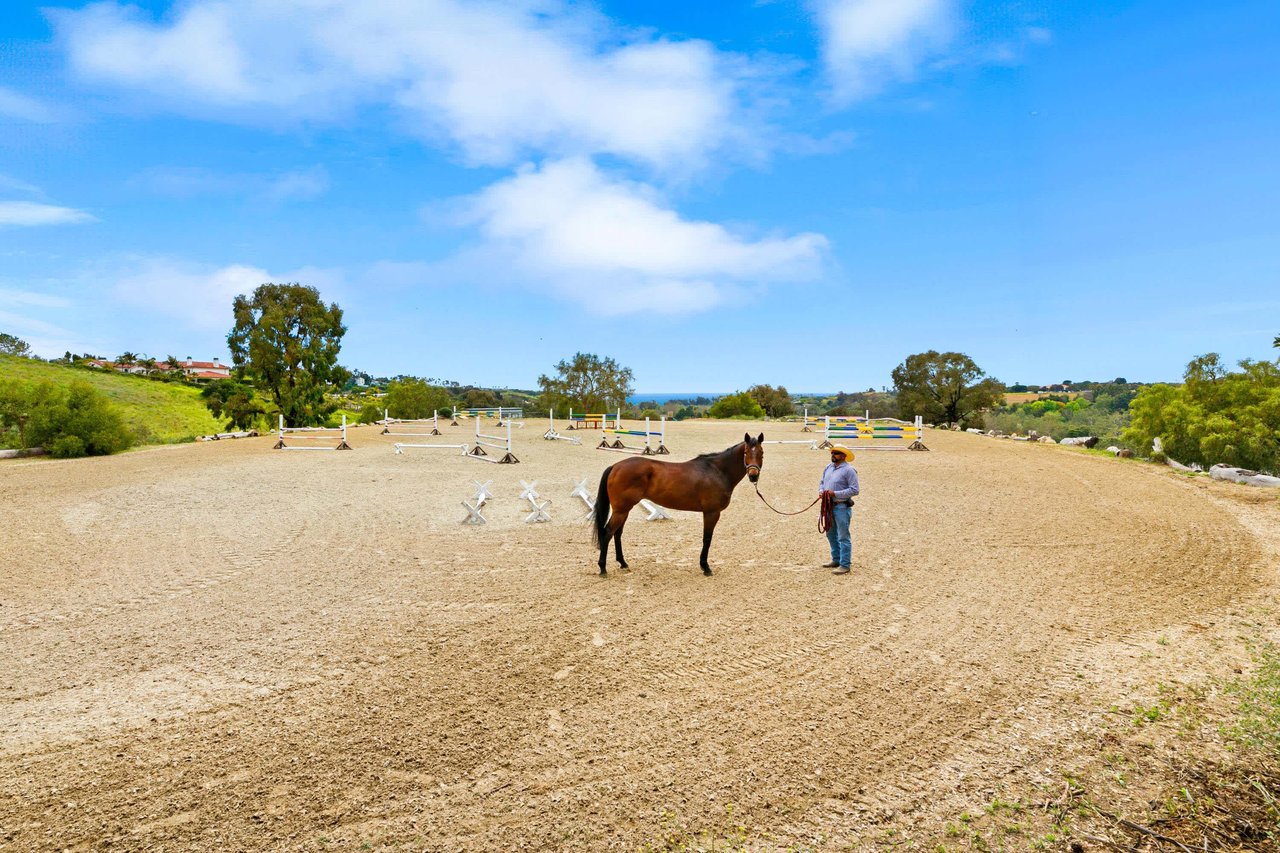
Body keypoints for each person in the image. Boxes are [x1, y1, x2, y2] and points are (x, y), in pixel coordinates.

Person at [819, 443, 860, 574]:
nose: (833, 455)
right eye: (832, 453)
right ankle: (836, 559)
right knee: (830, 534)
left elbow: (855, 490)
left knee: (843, 536)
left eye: (836, 453)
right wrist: (821, 491)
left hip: (841, 506)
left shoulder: (849, 470)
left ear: (843, 455)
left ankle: (845, 564)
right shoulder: (828, 467)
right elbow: (822, 482)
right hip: (829, 506)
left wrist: (835, 494)